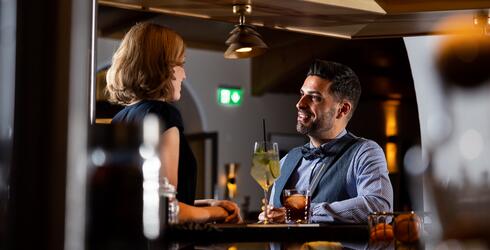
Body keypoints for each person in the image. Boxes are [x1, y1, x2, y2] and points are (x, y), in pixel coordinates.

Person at [106, 22, 241, 224]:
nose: (184, 75)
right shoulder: (163, 114)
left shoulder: (119, 120)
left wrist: (206, 204)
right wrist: (218, 214)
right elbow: (165, 211)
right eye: (181, 64)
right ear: (163, 66)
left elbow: (143, 204)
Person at [262, 60, 393, 223]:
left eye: (315, 97)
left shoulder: (365, 152)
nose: (300, 103)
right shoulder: (286, 161)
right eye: (302, 94)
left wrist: (305, 212)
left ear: (343, 109)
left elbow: (379, 209)